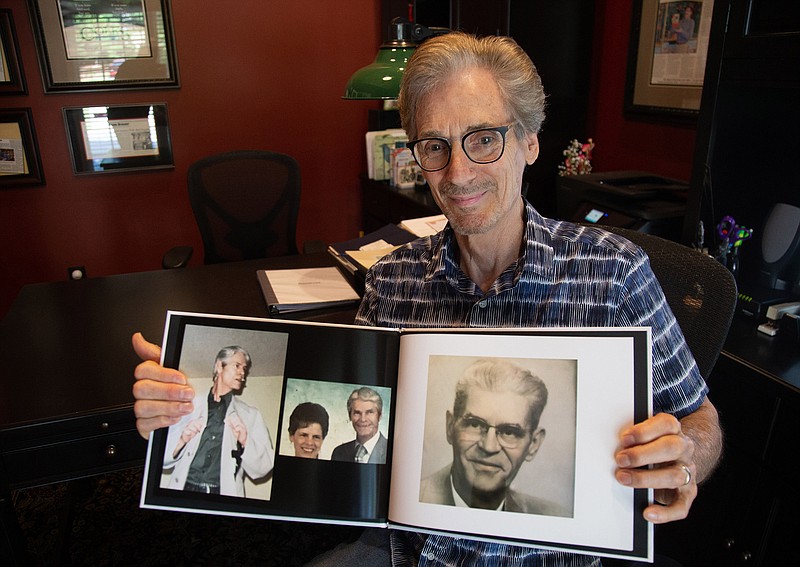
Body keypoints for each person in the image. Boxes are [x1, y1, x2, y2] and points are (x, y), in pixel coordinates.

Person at [133, 31, 722, 566]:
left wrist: (687, 453)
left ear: (530, 142)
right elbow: (329, 429)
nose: (458, 173)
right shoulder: (391, 281)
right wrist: (180, 406)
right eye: (435, 146)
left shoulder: (615, 273)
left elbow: (700, 416)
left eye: (483, 139)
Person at [420, 359, 568, 517]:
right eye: (475, 425)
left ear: (533, 444)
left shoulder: (556, 518)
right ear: (450, 427)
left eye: (509, 432)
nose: (489, 447)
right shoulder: (410, 500)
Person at [161, 346, 274, 497]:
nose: (243, 373)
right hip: (184, 490)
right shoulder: (188, 405)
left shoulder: (251, 415)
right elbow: (161, 456)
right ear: (219, 366)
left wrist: (245, 441)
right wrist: (182, 439)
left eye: (244, 369)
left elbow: (265, 467)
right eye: (237, 366)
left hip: (223, 496)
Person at [330, 387, 388, 464]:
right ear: (350, 416)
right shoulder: (339, 453)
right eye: (357, 413)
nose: (363, 419)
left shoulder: (392, 450)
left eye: (369, 412)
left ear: (379, 416)